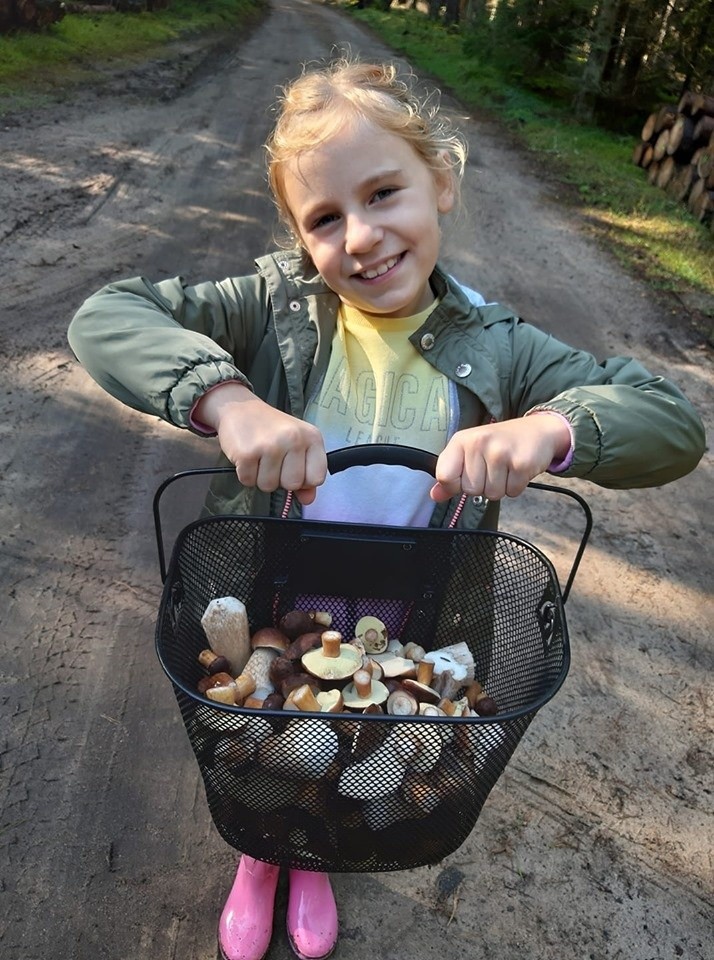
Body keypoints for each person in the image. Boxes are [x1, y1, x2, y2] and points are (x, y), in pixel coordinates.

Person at [68, 57, 705, 960]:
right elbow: (106, 315)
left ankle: (314, 846)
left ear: (440, 181)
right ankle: (261, 850)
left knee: (363, 735)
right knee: (263, 724)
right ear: (298, 236)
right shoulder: (270, 309)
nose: (360, 238)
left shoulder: (502, 344)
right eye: (325, 218)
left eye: (384, 193)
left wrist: (552, 430)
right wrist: (227, 398)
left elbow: (671, 425)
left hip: (411, 598)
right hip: (275, 580)